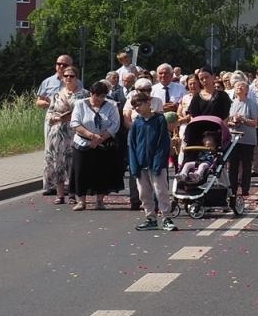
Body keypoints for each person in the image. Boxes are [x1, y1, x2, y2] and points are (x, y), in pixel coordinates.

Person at [70, 80, 122, 211]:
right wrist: (91, 136)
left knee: (102, 172)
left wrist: (100, 139)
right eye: (97, 96)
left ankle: (100, 200)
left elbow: (115, 125)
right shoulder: (80, 104)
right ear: (91, 94)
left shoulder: (111, 105)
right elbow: (75, 123)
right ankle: (81, 201)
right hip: (83, 142)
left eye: (103, 96)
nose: (100, 99)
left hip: (103, 143)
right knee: (81, 171)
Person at [128, 91, 174, 231]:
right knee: (144, 193)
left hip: (156, 164)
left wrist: (158, 163)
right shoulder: (137, 122)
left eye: (139, 104)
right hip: (141, 164)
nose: (137, 108)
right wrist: (134, 164)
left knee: (161, 191)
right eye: (134, 106)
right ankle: (150, 218)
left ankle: (166, 217)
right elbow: (132, 144)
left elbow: (163, 143)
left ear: (148, 103)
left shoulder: (159, 120)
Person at [43, 62, 80, 204]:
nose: (68, 78)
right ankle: (60, 195)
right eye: (65, 76)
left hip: (75, 133)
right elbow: (49, 115)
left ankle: (72, 194)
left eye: (71, 76)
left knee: (73, 163)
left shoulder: (84, 94)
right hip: (58, 133)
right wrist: (58, 118)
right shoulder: (57, 95)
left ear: (77, 78)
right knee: (58, 163)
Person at [225, 76, 258, 199]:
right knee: (232, 164)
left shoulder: (251, 103)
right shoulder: (231, 103)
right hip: (233, 138)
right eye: (237, 86)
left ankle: (245, 188)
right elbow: (226, 121)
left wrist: (243, 119)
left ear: (247, 90)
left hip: (248, 139)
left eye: (242, 86)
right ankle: (232, 188)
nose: (239, 88)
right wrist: (232, 123)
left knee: (246, 165)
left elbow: (255, 123)